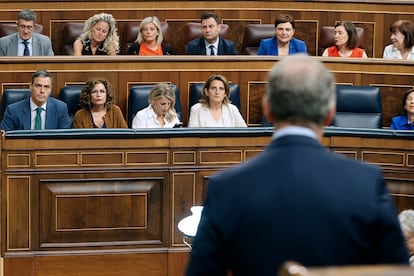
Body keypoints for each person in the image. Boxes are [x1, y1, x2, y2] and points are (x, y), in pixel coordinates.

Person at [186, 55, 408, 276]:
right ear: (330, 113)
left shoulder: (226, 188)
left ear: (267, 109)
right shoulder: (367, 183)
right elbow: (396, 271)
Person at [0, 70, 70, 131]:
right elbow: (4, 139)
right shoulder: (13, 110)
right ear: (31, 86)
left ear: (50, 89)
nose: (42, 91)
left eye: (46, 87)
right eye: (38, 86)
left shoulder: (60, 108)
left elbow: (65, 140)